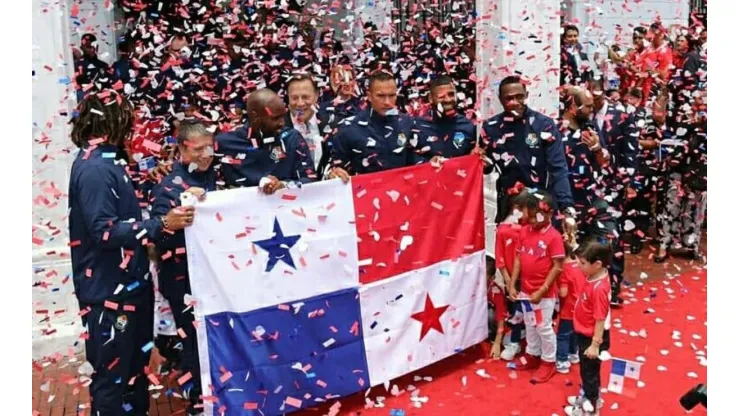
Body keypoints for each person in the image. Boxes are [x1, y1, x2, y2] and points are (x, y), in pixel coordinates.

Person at [68, 91, 193, 415]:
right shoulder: (95, 169)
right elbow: (104, 231)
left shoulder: (111, 162)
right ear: (111, 122)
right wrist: (161, 223)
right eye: (128, 120)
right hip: (109, 293)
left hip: (130, 288)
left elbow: (120, 213)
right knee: (114, 378)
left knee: (135, 374)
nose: (134, 127)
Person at [151, 121, 217, 416]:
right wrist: (174, 222)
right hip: (183, 281)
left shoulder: (220, 176)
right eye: (198, 149)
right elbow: (156, 237)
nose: (205, 154)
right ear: (181, 150)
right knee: (192, 341)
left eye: (209, 147)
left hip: (218, 278)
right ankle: (198, 402)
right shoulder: (167, 186)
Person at [481, 76, 577, 230]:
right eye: (509, 98)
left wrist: (567, 208)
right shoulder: (491, 127)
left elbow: (558, 169)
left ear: (526, 95)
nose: (515, 102)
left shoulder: (544, 125)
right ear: (501, 100)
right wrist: (485, 164)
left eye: (519, 97)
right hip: (509, 207)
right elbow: (486, 166)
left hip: (540, 206)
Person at [508, 191, 565, 383]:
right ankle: (532, 353)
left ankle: (549, 361)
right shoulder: (524, 231)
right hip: (525, 291)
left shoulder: (554, 237)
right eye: (529, 216)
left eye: (536, 217)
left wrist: (542, 290)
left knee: (543, 327)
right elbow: (517, 257)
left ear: (549, 214)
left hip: (544, 294)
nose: (531, 221)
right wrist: (512, 282)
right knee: (530, 323)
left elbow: (558, 266)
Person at [327, 71, 426, 179]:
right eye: (381, 96)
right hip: (364, 193)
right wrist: (334, 172)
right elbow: (334, 166)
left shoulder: (407, 123)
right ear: (369, 96)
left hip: (401, 192)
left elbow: (418, 159)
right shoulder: (348, 128)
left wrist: (432, 160)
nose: (387, 102)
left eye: (392, 95)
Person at [216, 88, 317, 190]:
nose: (282, 123)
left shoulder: (291, 138)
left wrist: (284, 185)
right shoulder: (224, 144)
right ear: (255, 116)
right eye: (275, 118)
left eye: (283, 116)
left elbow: (310, 180)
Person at [564, 240, 613, 416]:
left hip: (592, 337)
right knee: (587, 371)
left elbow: (600, 319)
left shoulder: (599, 289)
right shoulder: (593, 275)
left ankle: (591, 409)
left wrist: (595, 344)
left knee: (589, 373)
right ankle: (588, 397)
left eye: (582, 263)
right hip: (585, 332)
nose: (578, 266)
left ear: (597, 264)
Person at [495, 189, 530, 361]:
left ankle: (529, 340)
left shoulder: (531, 229)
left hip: (531, 277)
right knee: (516, 310)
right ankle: (515, 341)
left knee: (529, 310)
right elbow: (499, 258)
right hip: (513, 278)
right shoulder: (502, 229)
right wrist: (509, 281)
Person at [415, 75, 477, 160]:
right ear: (430, 98)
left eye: (451, 94)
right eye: (441, 96)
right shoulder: (417, 126)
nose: (448, 100)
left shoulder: (468, 126)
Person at [283, 74, 326, 171]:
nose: (300, 103)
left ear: (316, 96)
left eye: (305, 97)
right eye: (294, 98)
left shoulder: (330, 123)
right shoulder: (278, 127)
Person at [555, 242, 586, 374]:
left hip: (568, 308)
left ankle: (562, 360)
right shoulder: (578, 265)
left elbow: (563, 292)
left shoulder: (563, 271)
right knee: (575, 333)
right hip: (580, 306)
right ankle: (574, 354)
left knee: (563, 335)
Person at [75, 33, 111, 102]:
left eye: (93, 46)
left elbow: (109, 87)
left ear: (96, 47)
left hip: (100, 103)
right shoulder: (77, 65)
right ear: (82, 47)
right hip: (83, 103)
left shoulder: (103, 65)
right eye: (88, 46)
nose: (92, 49)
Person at [486, 255, 507, 360]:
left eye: (483, 275)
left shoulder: (495, 291)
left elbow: (501, 315)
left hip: (491, 319)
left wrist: (498, 342)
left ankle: (492, 335)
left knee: (490, 314)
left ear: (492, 278)